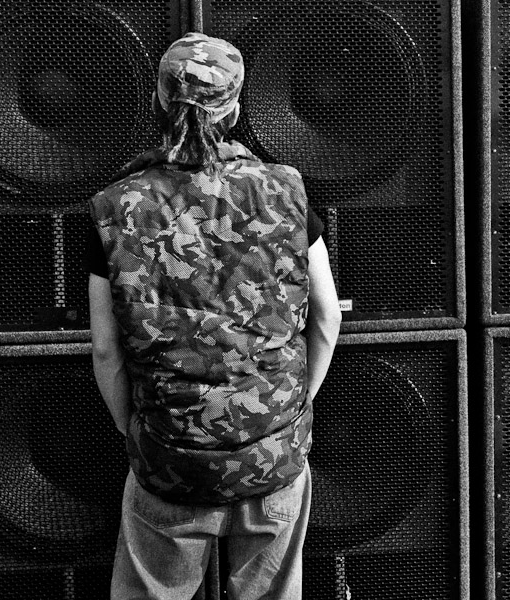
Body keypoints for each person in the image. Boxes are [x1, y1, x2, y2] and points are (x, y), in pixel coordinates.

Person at [87, 32, 341, 600]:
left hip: (167, 460)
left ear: (158, 100)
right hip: (272, 451)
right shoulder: (290, 192)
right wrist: (293, 408)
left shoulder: (114, 207)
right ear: (236, 107)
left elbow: (106, 350)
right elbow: (326, 319)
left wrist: (142, 431)